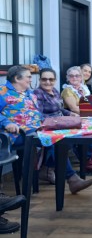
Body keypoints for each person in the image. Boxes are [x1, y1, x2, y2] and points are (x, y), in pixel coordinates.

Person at [33, 68, 92, 192]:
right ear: (39, 80)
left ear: (55, 80)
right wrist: (59, 120)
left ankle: (48, 169)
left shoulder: (55, 91)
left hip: (58, 125)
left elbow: (60, 109)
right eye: (44, 79)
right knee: (57, 142)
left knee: (82, 130)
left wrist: (70, 114)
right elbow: (38, 115)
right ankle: (72, 179)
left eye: (51, 79)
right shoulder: (38, 94)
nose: (48, 82)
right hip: (47, 127)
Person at [0, 65, 34, 234]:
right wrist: (6, 123)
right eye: (28, 76)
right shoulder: (3, 91)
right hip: (15, 133)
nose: (30, 79)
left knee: (56, 137)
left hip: (32, 128)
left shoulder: (27, 92)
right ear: (17, 79)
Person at [61, 66, 92, 172]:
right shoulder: (67, 90)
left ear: (81, 78)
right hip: (72, 116)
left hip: (85, 115)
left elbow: (89, 103)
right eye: (71, 76)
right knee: (88, 124)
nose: (74, 78)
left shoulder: (83, 88)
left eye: (77, 75)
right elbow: (74, 108)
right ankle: (90, 158)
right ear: (68, 78)